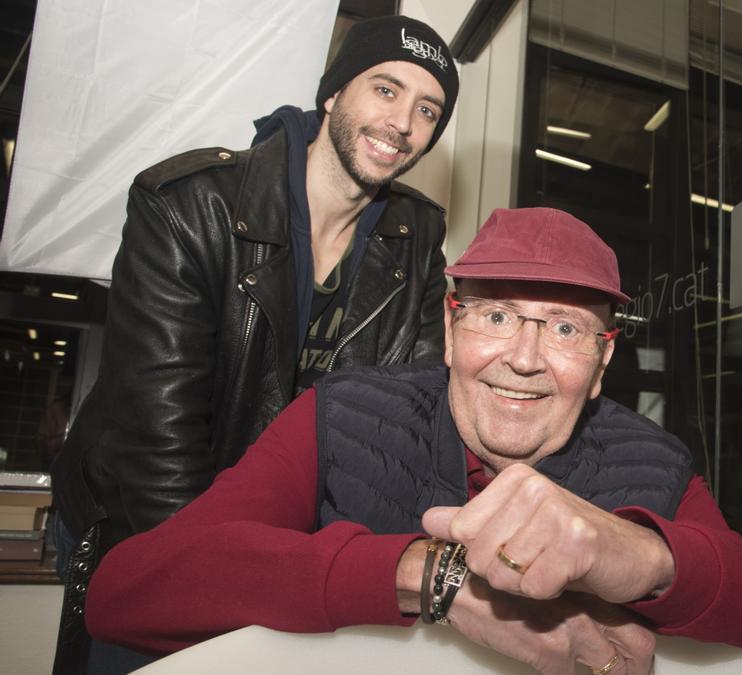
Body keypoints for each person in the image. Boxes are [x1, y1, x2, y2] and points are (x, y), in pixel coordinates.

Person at [86, 207, 742, 674]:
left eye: (564, 328)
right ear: (451, 329)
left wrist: (647, 558)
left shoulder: (655, 460)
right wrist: (429, 576)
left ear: (604, 360)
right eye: (496, 315)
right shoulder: (340, 415)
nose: (523, 355)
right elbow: (126, 594)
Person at [50, 15, 458, 674]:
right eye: (385, 89)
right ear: (333, 94)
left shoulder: (414, 238)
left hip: (282, 542)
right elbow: (158, 449)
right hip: (139, 526)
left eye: (427, 108)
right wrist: (220, 589)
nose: (402, 122)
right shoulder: (190, 204)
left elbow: (403, 423)